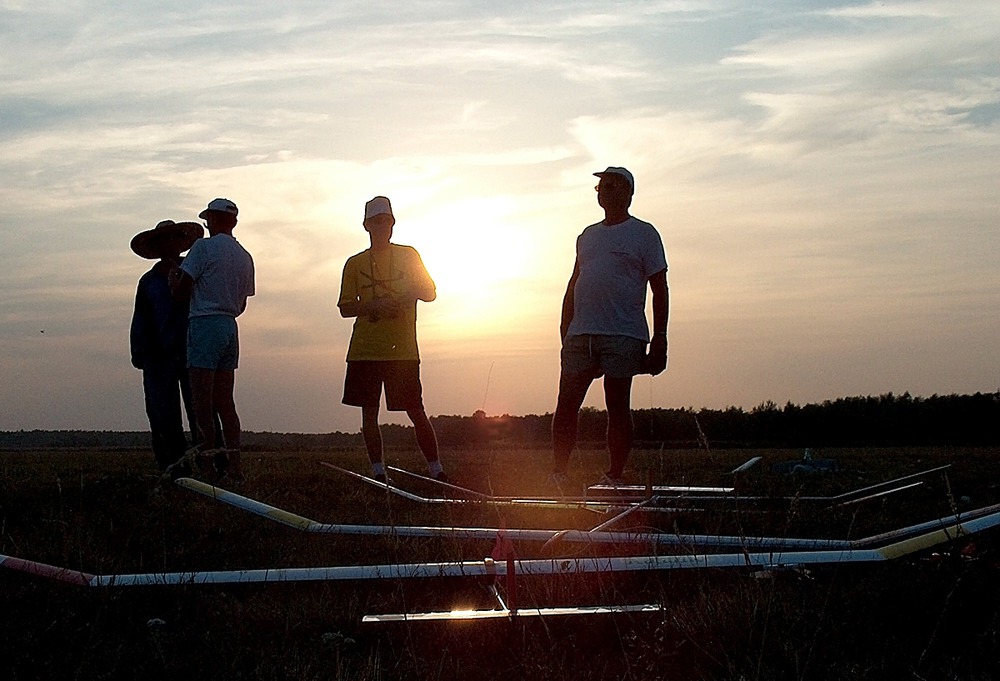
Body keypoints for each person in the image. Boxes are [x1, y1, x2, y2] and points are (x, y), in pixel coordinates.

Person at [550, 167, 669, 487]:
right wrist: (565, 327)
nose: (605, 190)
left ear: (628, 193)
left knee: (617, 405)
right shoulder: (587, 236)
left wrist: (660, 338)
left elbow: (660, 287)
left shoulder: (645, 234)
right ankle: (560, 472)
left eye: (613, 186)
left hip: (623, 333)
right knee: (566, 403)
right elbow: (574, 282)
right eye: (601, 186)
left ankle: (615, 475)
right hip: (581, 334)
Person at [337, 196, 447, 484]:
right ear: (366, 226)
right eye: (376, 222)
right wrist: (374, 307)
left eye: (386, 221)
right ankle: (378, 471)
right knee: (369, 413)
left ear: (393, 223)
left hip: (403, 351)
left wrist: (409, 291)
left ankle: (436, 469)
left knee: (415, 410)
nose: (382, 226)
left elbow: (431, 292)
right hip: (365, 351)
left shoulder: (409, 255)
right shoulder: (354, 263)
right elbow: (345, 308)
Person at [168, 198, 255, 483]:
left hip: (205, 325)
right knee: (226, 403)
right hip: (230, 327)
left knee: (201, 403)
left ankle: (207, 470)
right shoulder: (245, 256)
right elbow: (243, 301)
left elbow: (182, 293)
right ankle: (236, 468)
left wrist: (174, 283)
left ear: (212, 221)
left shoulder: (202, 248)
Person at [130, 219, 203, 473]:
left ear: (181, 242)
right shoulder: (148, 281)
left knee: (201, 413)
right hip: (158, 356)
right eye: (163, 240)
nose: (169, 244)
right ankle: (172, 469)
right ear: (157, 246)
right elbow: (140, 318)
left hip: (192, 352)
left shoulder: (192, 272)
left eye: (173, 238)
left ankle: (211, 465)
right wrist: (140, 352)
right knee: (162, 415)